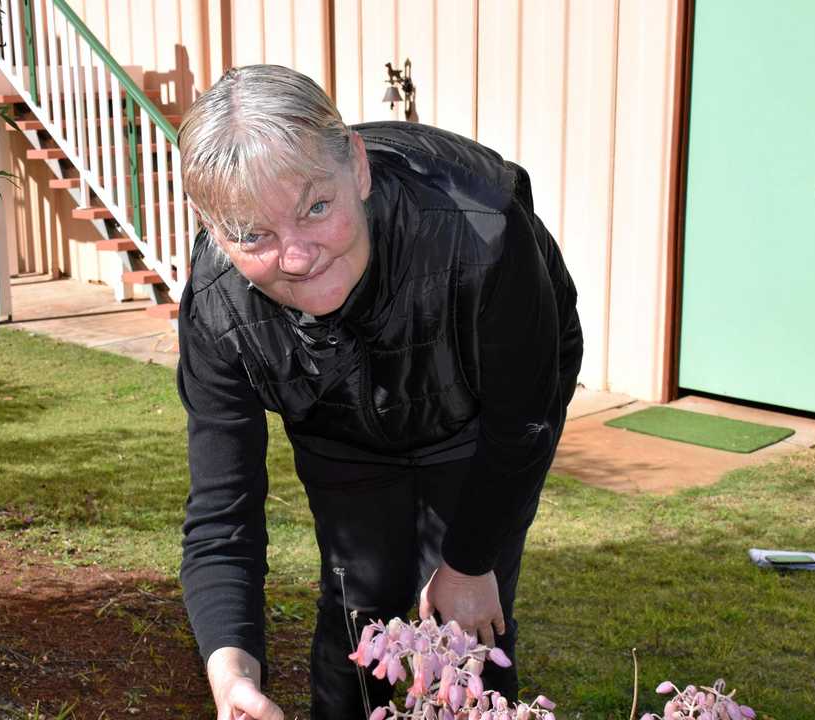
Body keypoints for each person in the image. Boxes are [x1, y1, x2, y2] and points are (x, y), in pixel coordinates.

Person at [175, 64, 583, 720]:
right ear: (217, 236)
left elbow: (522, 422)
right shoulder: (220, 310)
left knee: (463, 634)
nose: (298, 256)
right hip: (338, 424)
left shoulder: (482, 232)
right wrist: (232, 675)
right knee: (357, 609)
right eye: (254, 235)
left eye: (317, 207)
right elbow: (222, 513)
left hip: (478, 408)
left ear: (357, 169)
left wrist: (471, 561)